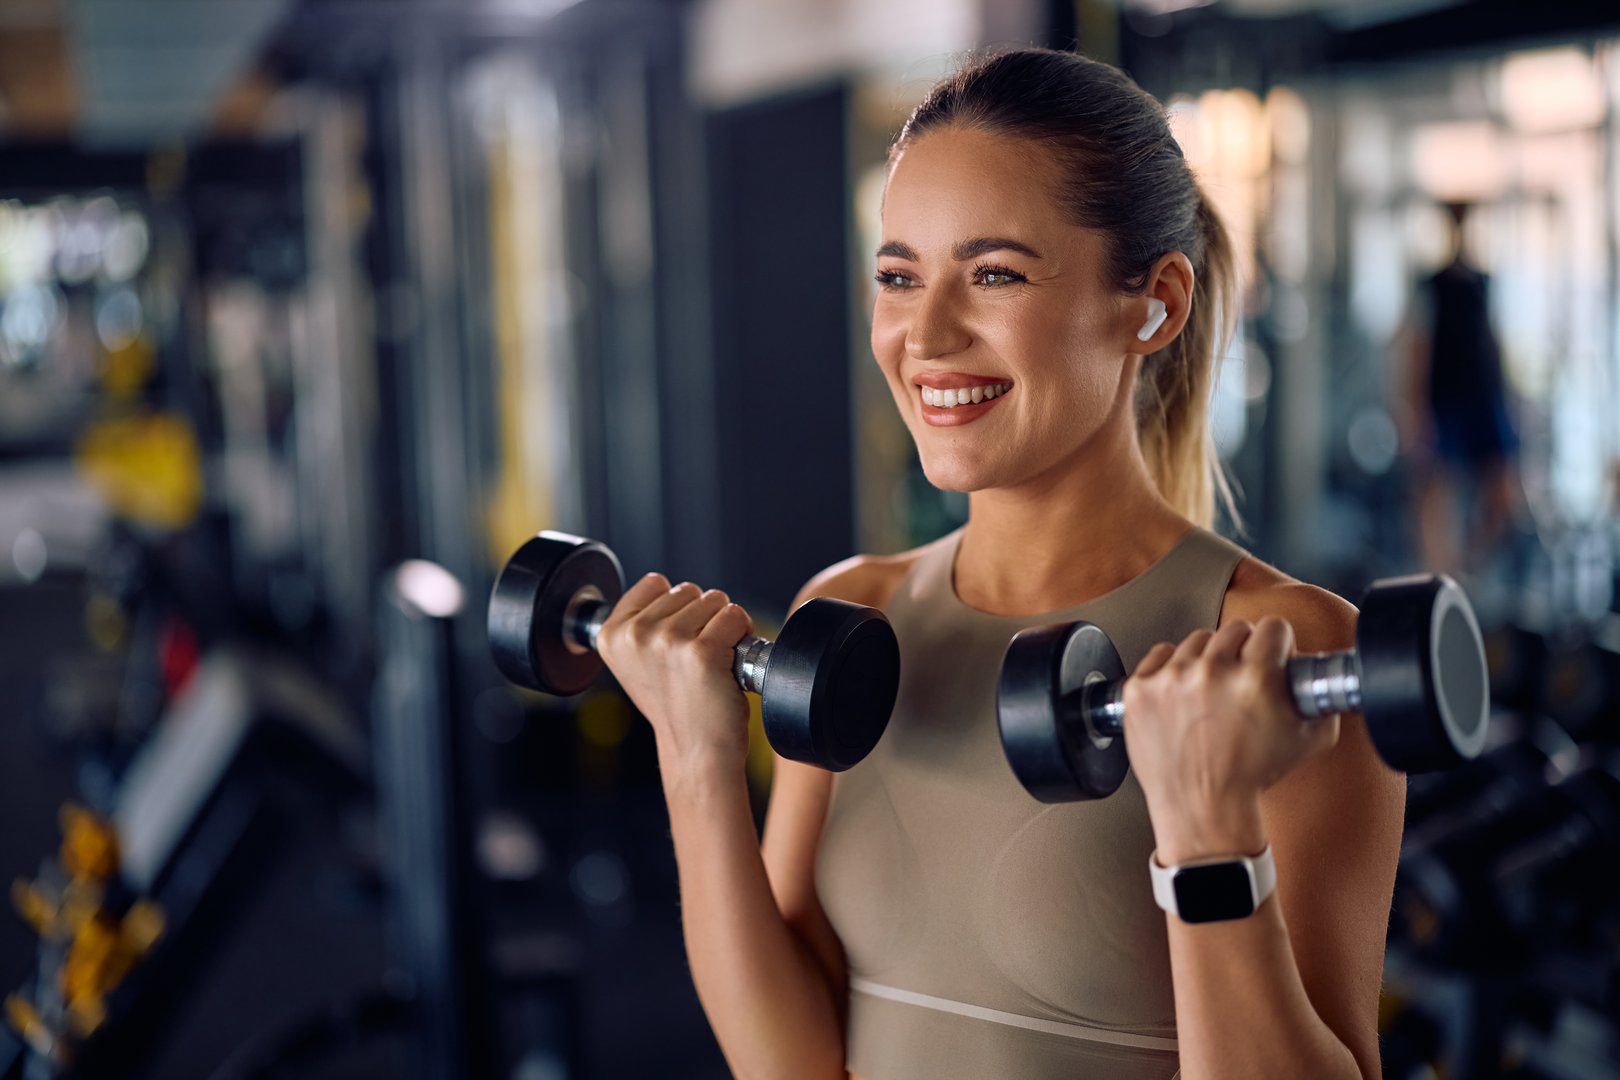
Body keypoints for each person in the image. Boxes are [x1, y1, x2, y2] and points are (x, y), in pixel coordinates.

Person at [595, 48, 1404, 1080]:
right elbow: (789, 1064)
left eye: (994, 274)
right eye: (898, 276)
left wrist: (1208, 832)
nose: (924, 335)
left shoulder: (1286, 655)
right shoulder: (848, 616)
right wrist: (696, 760)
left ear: (1153, 304)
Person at [1398, 201, 1522, 578]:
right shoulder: (1431, 286)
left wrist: (1511, 400)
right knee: (1437, 492)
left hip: (1485, 399)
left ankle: (1469, 563)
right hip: (1446, 400)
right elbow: (1418, 350)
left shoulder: (1484, 283)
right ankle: (1439, 572)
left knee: (1504, 493)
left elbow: (1494, 344)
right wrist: (1415, 410)